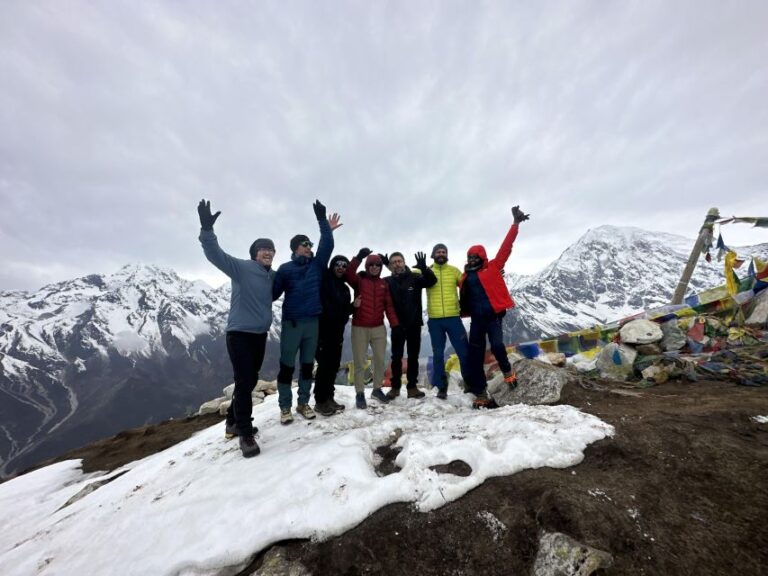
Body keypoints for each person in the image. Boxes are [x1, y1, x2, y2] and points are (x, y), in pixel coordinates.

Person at [197, 199, 274, 458]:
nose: (268, 253)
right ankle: (245, 433)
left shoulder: (270, 277)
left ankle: (232, 420)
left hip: (260, 335)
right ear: (254, 253)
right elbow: (215, 255)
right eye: (263, 249)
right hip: (239, 334)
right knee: (244, 381)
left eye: (271, 250)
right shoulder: (241, 268)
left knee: (249, 380)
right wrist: (207, 231)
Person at [273, 200, 342, 424]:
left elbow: (327, 246)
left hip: (313, 322)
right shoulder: (285, 269)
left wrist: (322, 221)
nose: (309, 247)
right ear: (295, 248)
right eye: (305, 244)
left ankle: (303, 403)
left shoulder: (317, 265)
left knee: (306, 365)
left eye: (310, 244)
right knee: (286, 366)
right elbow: (272, 294)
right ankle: (285, 407)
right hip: (292, 323)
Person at [459, 205, 530, 408]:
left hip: (493, 317)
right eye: (469, 257)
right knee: (476, 355)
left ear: (482, 258)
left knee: (498, 346)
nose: (471, 260)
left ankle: (507, 371)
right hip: (477, 321)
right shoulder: (464, 277)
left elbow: (506, 247)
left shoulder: (494, 267)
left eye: (475, 257)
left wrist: (515, 224)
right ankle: (481, 391)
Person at [345, 250, 400, 409]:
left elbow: (388, 305)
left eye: (378, 265)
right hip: (360, 327)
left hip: (378, 327)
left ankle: (376, 389)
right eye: (372, 265)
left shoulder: (384, 284)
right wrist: (358, 257)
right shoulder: (359, 280)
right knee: (360, 362)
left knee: (380, 360)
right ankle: (360, 393)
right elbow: (348, 274)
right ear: (367, 266)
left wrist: (394, 324)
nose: (375, 267)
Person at [383, 251, 436, 399]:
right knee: (396, 357)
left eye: (399, 261)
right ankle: (395, 387)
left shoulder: (415, 277)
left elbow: (432, 281)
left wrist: (424, 268)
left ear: (404, 262)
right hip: (396, 326)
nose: (397, 264)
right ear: (390, 265)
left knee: (413, 357)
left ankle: (412, 387)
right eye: (393, 262)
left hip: (414, 324)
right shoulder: (387, 281)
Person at [425, 243, 473, 399]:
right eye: (438, 252)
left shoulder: (454, 271)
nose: (441, 254)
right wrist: (388, 265)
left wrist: (490, 274)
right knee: (438, 355)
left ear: (446, 255)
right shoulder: (426, 271)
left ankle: (469, 383)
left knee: (464, 352)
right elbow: (407, 274)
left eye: (443, 252)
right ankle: (441, 387)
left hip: (453, 318)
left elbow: (469, 283)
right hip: (435, 320)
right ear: (433, 255)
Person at [314, 254, 353, 416]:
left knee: (333, 366)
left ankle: (329, 397)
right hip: (322, 332)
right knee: (323, 367)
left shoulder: (345, 289)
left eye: (344, 266)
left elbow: (344, 313)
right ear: (332, 266)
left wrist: (353, 307)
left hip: (337, 334)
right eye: (338, 264)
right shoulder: (324, 282)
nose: (341, 268)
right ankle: (320, 401)